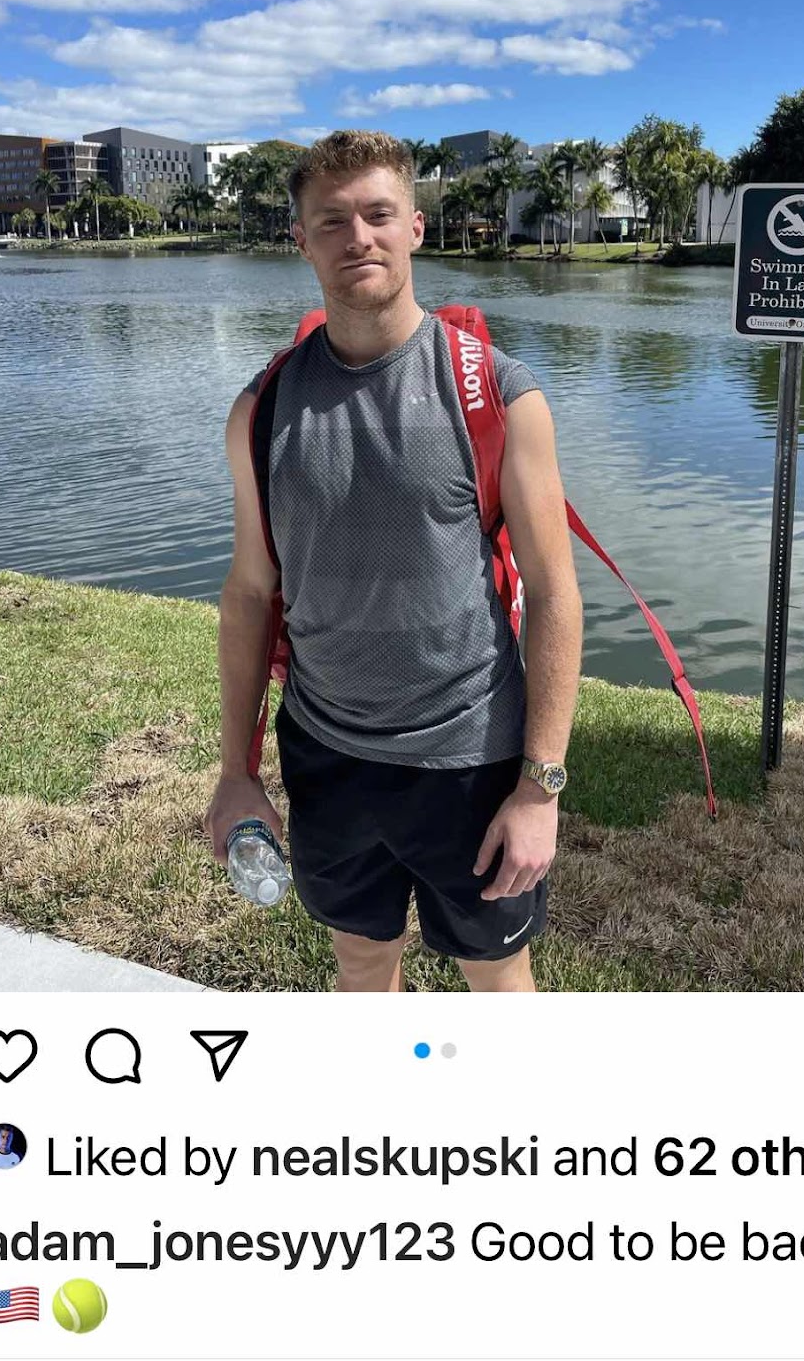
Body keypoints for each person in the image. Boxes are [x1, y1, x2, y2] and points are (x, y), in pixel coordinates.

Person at [204, 130, 583, 992]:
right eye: (330, 221)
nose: (358, 238)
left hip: (471, 756)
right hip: (326, 753)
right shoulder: (261, 409)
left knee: (495, 975)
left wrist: (539, 790)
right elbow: (249, 594)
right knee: (361, 959)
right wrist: (236, 774)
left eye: (378, 214)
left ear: (414, 226)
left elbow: (556, 596)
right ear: (300, 241)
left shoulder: (499, 393)